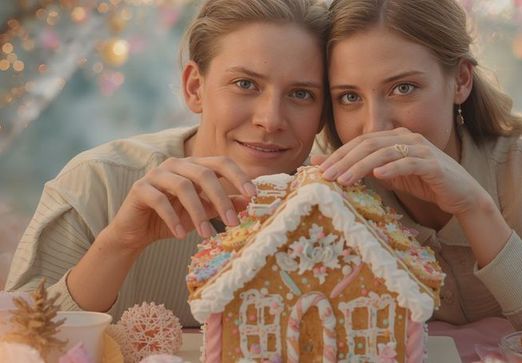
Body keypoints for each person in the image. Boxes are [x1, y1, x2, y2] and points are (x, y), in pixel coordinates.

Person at [5, 0, 329, 327]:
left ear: (322, 114)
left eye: (301, 94)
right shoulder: (97, 183)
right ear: (194, 87)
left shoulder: (343, 207)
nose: (270, 120)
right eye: (245, 84)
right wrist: (121, 242)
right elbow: (16, 337)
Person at [317, 0, 522, 331]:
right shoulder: (329, 197)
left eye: (403, 88)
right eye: (349, 97)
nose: (375, 126)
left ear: (461, 81)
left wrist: (476, 209)